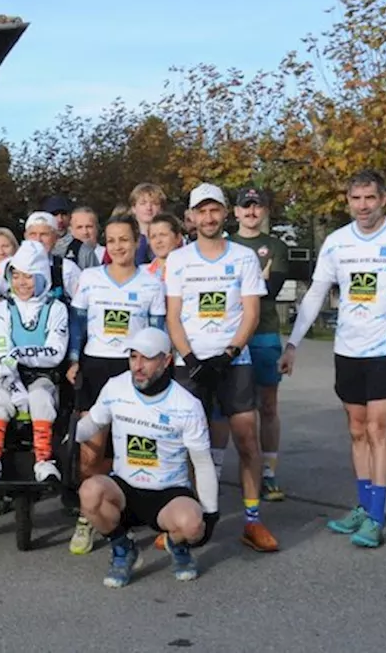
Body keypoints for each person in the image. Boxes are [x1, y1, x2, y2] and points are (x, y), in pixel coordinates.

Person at [282, 170, 386, 549]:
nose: (363, 206)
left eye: (370, 198)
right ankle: (364, 507)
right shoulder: (337, 243)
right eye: (356, 199)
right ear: (347, 201)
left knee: (378, 427)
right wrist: (294, 343)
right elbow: (317, 293)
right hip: (347, 348)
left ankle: (377, 517)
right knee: (355, 427)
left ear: (384, 199)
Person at [165, 182, 277, 553]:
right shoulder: (179, 259)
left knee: (246, 439)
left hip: (234, 362)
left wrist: (228, 354)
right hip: (191, 364)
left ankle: (252, 520)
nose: (209, 217)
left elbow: (252, 313)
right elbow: (174, 316)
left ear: (225, 213)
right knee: (187, 445)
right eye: (202, 211)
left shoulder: (243, 257)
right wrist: (193, 360)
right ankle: (188, 518)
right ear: (192, 217)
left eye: (215, 210)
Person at [74, 327, 219, 588]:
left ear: (166, 360)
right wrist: (70, 432)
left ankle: (177, 545)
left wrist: (211, 513)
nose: (137, 366)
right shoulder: (115, 387)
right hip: (125, 488)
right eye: (132, 357)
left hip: (168, 493)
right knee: (89, 492)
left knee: (193, 526)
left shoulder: (187, 405)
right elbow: (93, 422)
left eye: (147, 358)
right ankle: (123, 549)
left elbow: (202, 462)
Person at [66, 215, 167, 554]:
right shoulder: (91, 278)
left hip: (133, 370)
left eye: (125, 239)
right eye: (111, 241)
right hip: (95, 366)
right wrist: (75, 359)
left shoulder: (151, 283)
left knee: (130, 446)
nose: (118, 246)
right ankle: (86, 516)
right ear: (104, 245)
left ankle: (126, 510)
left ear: (137, 240)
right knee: (90, 450)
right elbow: (77, 323)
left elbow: (157, 332)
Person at [0, 240, 69, 484]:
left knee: (40, 399)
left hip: (43, 376)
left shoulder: (55, 308)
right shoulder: (4, 308)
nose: (21, 283)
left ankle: (44, 461)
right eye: (16, 276)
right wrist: (13, 376)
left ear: (41, 277)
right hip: (9, 374)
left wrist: (21, 354)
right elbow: (1, 348)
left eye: (28, 277)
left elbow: (55, 351)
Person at [228, 188, 291, 501]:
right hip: (231, 334)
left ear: (266, 211)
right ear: (236, 212)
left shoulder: (276, 246)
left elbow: (270, 289)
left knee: (267, 405)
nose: (251, 212)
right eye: (246, 207)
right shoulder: (225, 245)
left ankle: (268, 472)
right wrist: (254, 281)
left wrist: (240, 285)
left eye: (258, 206)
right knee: (235, 407)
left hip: (264, 334)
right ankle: (240, 467)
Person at [145, 213, 185, 281]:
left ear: (178, 238)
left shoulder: (191, 269)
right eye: (153, 237)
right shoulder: (143, 273)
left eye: (163, 235)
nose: (158, 241)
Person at [65, 206, 104, 271]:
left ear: (97, 228)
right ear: (71, 230)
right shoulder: (64, 256)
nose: (85, 232)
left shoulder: (109, 255)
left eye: (89, 227)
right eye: (79, 227)